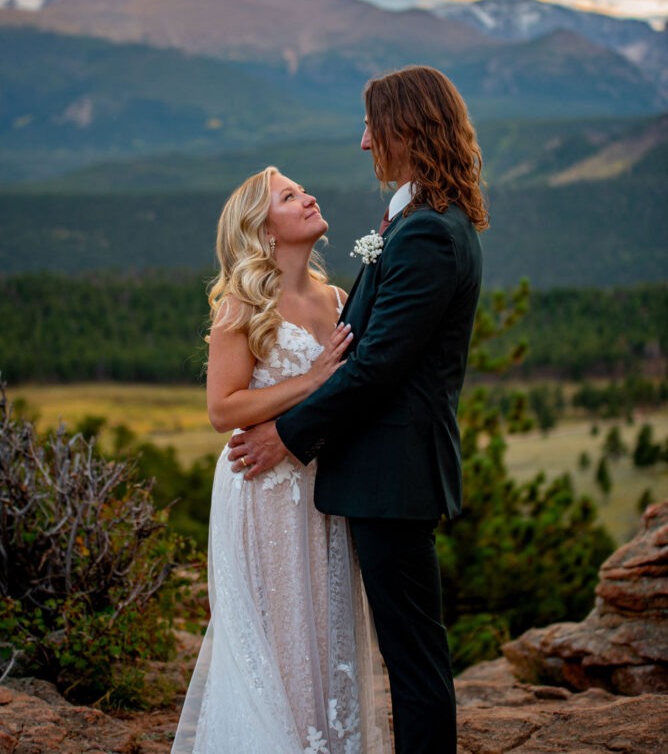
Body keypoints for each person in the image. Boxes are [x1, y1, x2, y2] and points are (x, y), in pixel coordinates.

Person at [228, 65, 488, 754]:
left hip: (393, 476)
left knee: (413, 660)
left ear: (405, 129)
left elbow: (375, 368)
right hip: (384, 474)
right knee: (407, 650)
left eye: (373, 127)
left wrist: (285, 435)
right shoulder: (417, 221)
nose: (364, 144)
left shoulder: (429, 233)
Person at [171, 166, 392, 754]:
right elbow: (223, 409)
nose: (308, 196)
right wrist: (314, 380)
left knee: (325, 633)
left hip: (326, 489)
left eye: (302, 189)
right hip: (264, 488)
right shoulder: (244, 303)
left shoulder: (339, 298)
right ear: (263, 230)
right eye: (289, 197)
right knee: (283, 637)